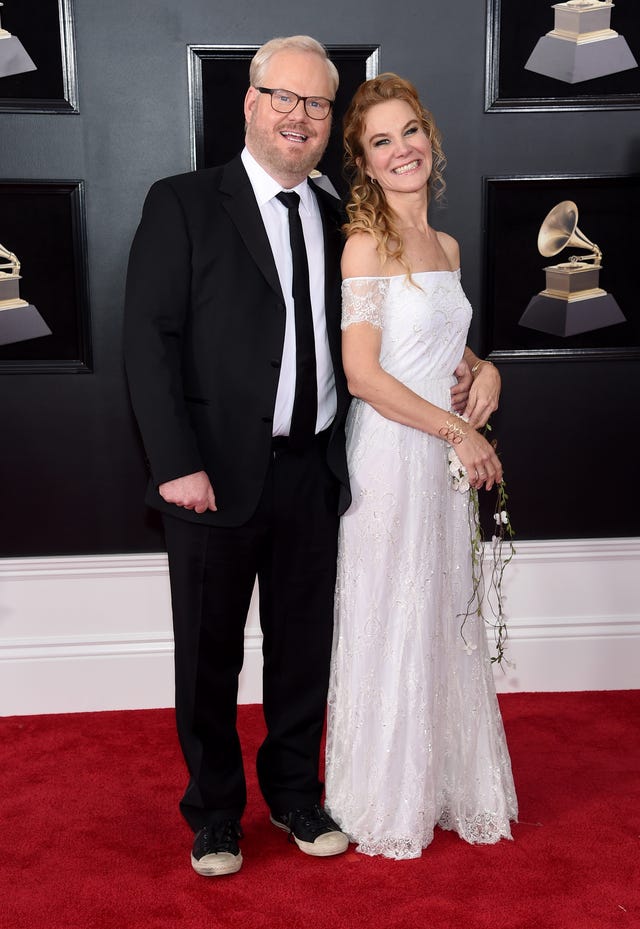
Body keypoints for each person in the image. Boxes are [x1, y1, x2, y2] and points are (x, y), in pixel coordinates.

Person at [123, 35, 355, 877]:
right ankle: (216, 813)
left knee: (304, 651)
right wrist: (174, 464)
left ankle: (295, 793)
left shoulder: (341, 212)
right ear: (251, 104)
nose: (300, 116)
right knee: (209, 655)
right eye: (284, 97)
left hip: (314, 470)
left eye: (317, 103)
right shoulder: (184, 202)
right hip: (210, 477)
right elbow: (148, 340)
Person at [324, 73, 518, 859]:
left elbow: (444, 345)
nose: (401, 149)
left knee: (439, 610)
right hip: (394, 453)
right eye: (382, 141)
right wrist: (458, 431)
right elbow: (364, 374)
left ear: (429, 139)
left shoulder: (447, 246)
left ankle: (436, 778)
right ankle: (382, 794)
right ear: (365, 163)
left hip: (439, 457)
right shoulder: (364, 244)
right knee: (392, 612)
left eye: (409, 131)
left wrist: (487, 368)